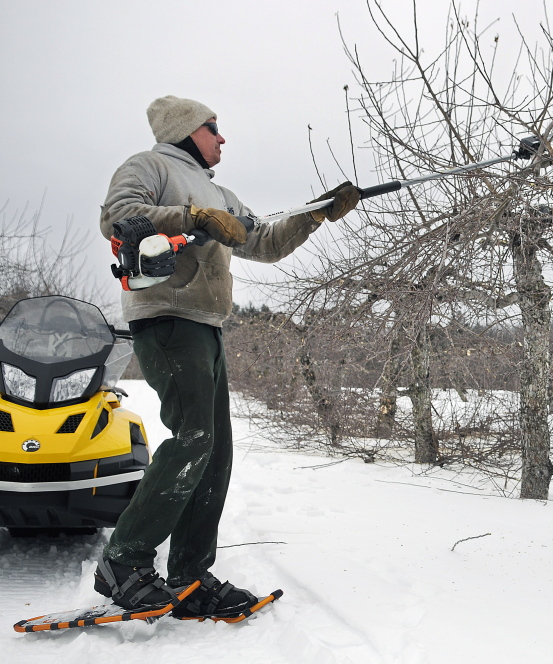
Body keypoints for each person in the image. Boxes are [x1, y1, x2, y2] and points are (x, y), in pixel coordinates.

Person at [95, 95, 358, 617]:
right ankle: (123, 563)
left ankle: (190, 576)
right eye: (214, 128)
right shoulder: (148, 167)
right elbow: (118, 217)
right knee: (193, 437)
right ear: (185, 129)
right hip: (168, 318)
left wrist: (316, 216)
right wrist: (193, 216)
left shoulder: (221, 193)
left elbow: (262, 241)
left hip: (208, 326)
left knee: (214, 452)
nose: (222, 138)